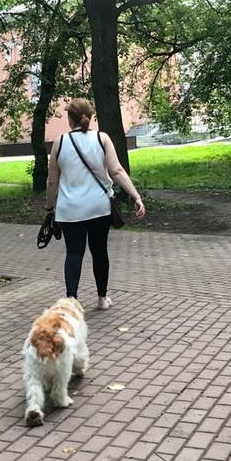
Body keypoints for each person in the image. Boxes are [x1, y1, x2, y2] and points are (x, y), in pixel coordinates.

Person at [45, 99, 146, 309]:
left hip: (70, 210)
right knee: (99, 251)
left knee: (74, 253)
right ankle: (102, 298)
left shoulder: (60, 142)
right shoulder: (102, 139)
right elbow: (116, 171)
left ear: (70, 119)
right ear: (89, 117)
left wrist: (49, 207)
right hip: (99, 207)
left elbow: (52, 180)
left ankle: (71, 302)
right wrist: (136, 196)